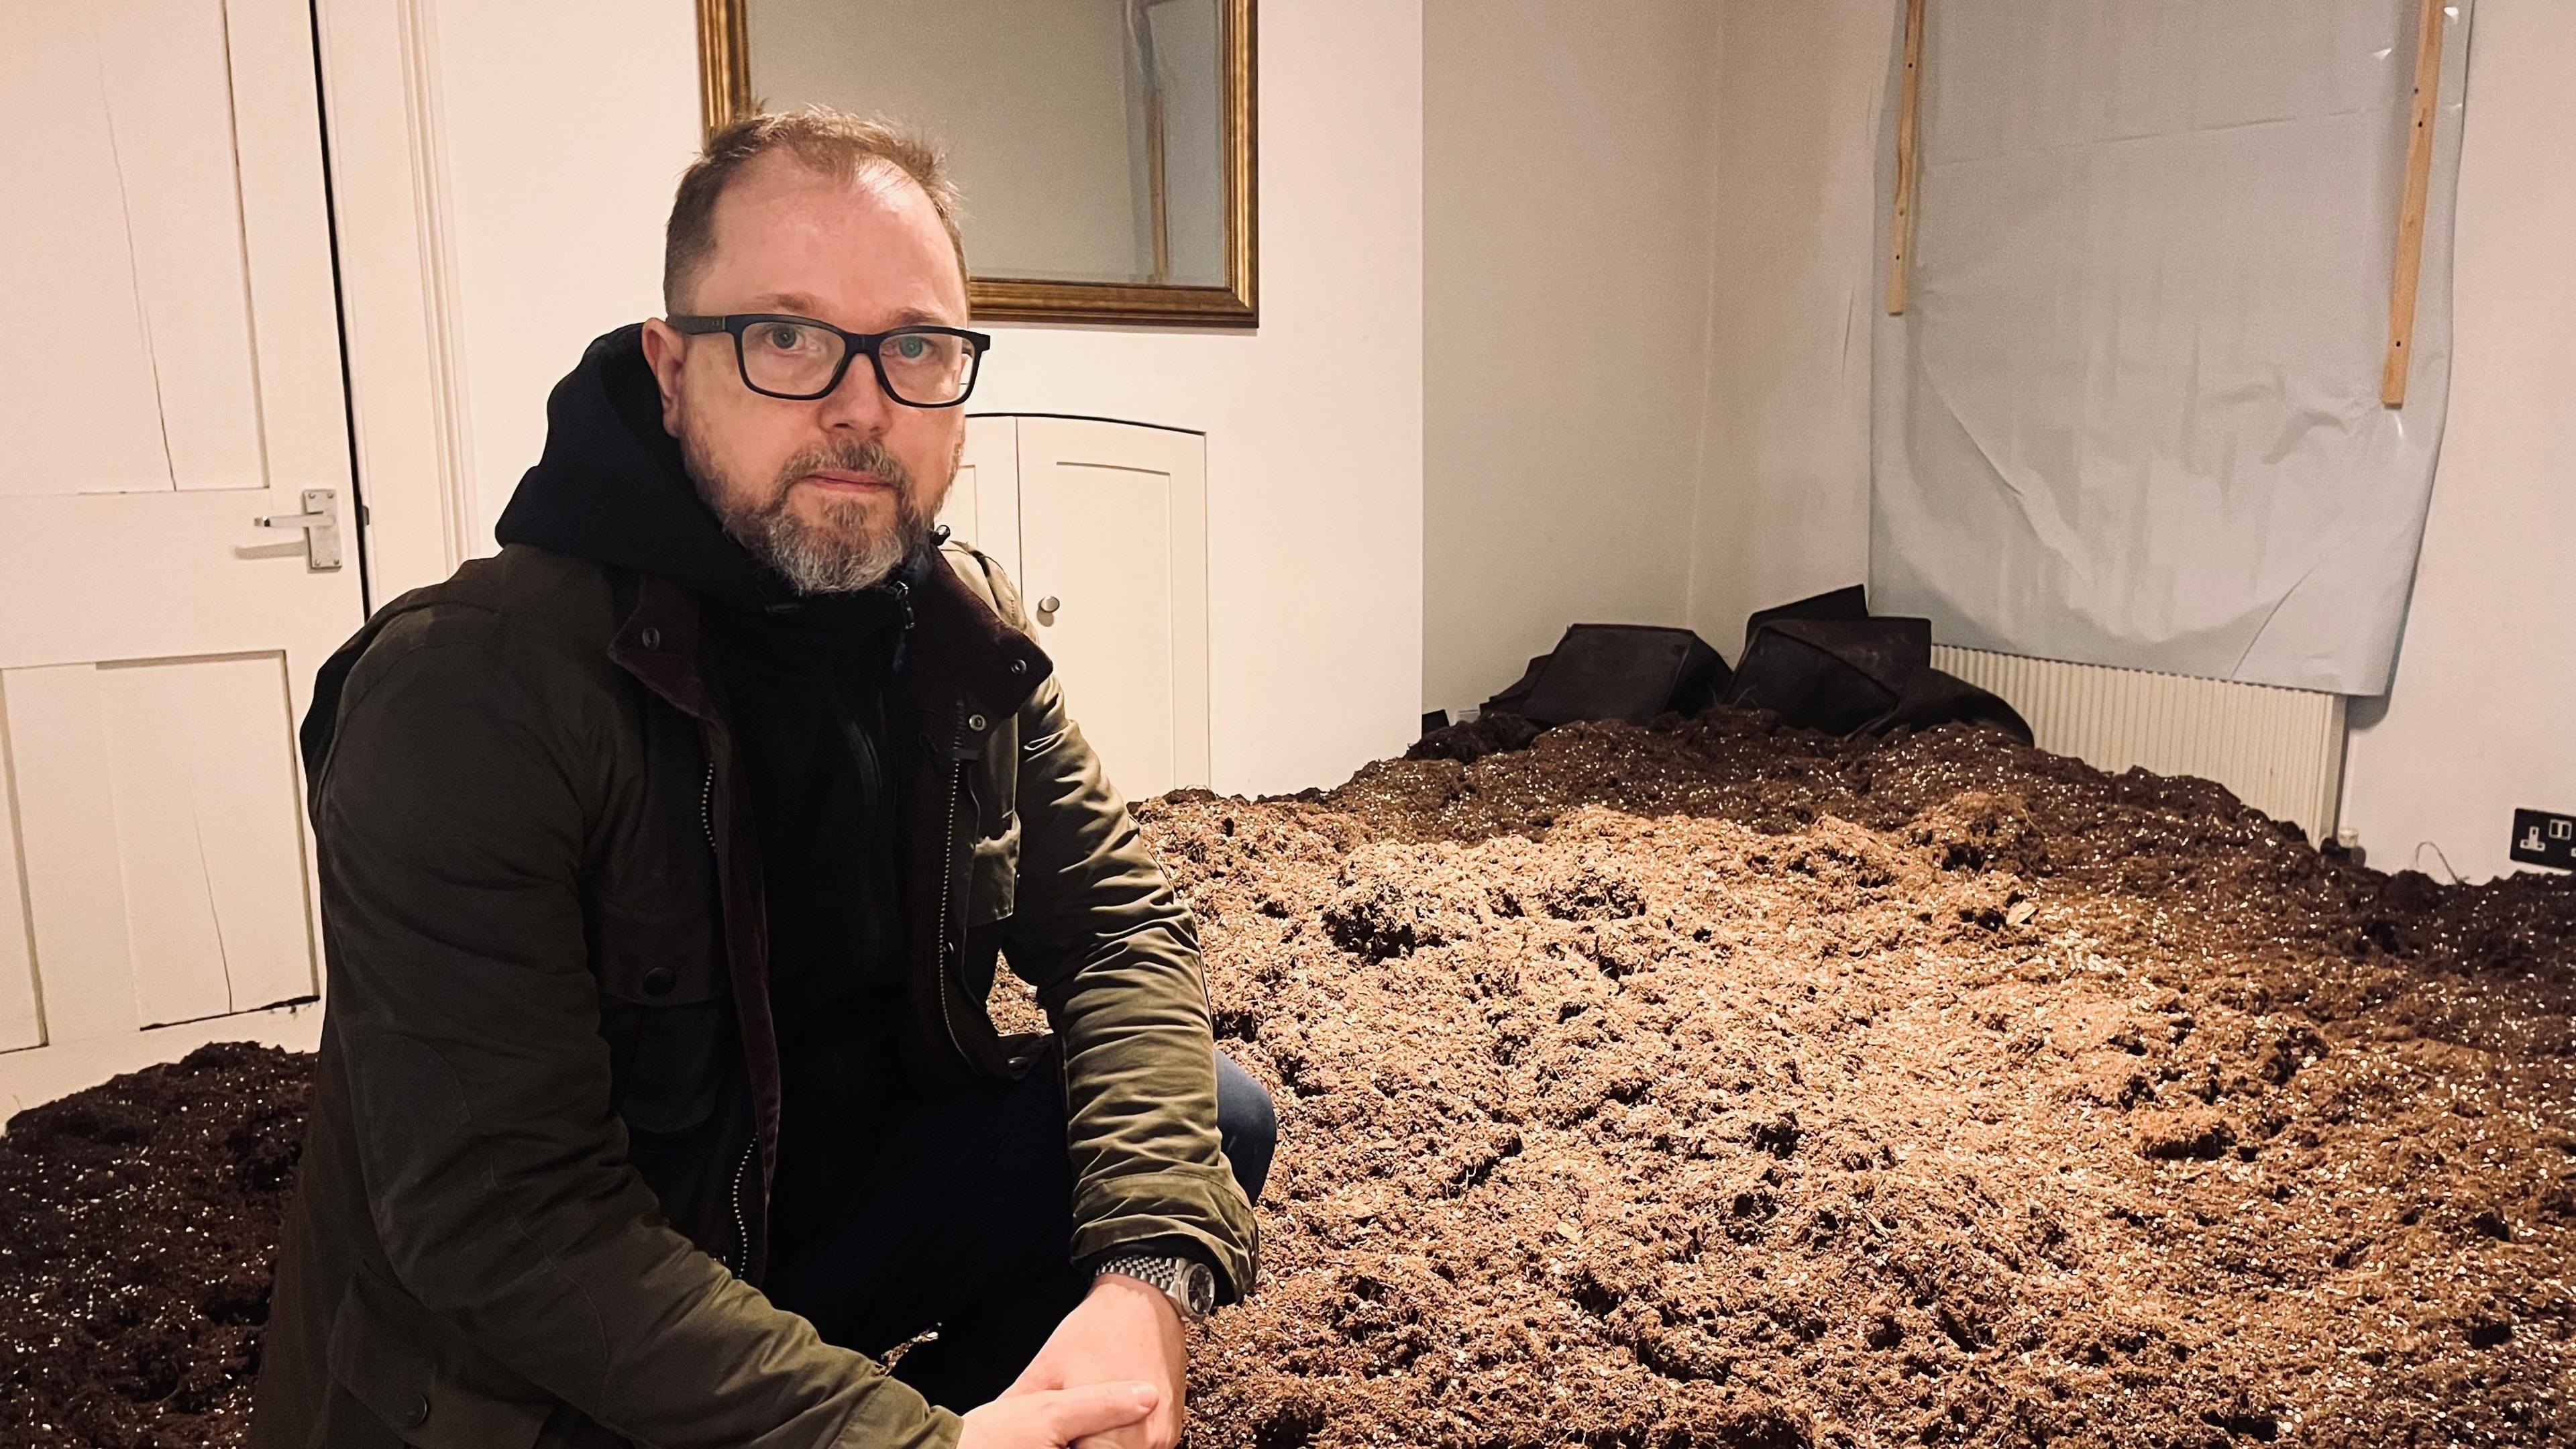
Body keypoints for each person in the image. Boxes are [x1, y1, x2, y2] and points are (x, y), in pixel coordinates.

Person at [250, 107, 1269, 1449]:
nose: (861, 407)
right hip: (550, 1344)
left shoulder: (960, 627)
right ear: (671, 371)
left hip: (803, 1221)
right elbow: (508, 1225)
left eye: (913, 347)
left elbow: (1126, 928)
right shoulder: (467, 693)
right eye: (787, 337)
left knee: (1207, 1113)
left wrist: (1144, 1285)